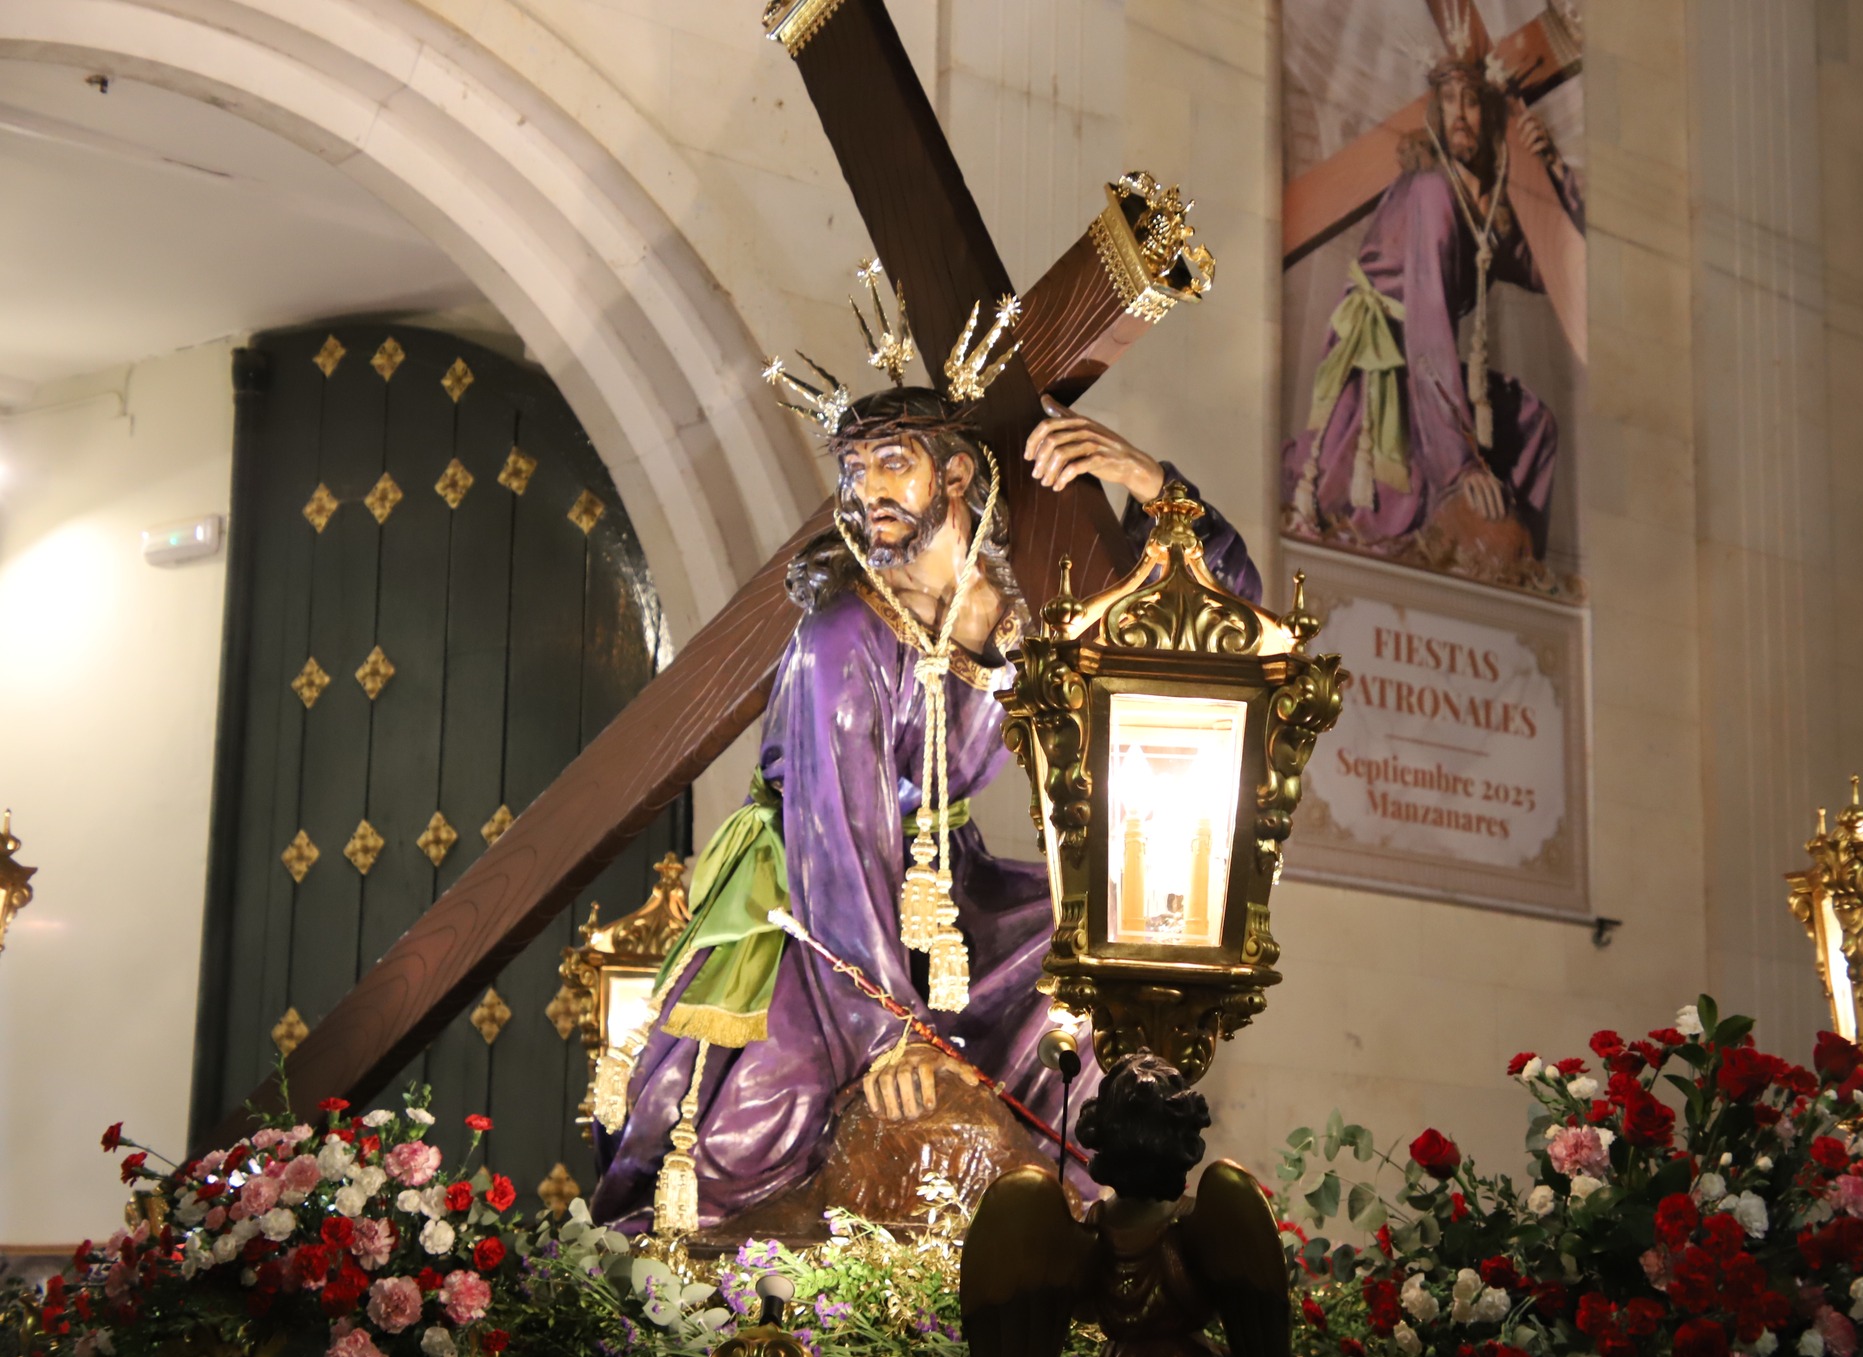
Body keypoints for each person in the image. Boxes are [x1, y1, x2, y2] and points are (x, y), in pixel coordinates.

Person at [588, 371, 1261, 1230]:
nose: (868, 490)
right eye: (855, 468)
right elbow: (839, 847)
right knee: (751, 1137)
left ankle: (1085, 1228)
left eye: (891, 463)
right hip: (810, 911)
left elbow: (1218, 622)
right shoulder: (841, 638)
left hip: (948, 897)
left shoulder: (1023, 611)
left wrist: (1154, 488)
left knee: (1086, 968)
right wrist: (889, 1038)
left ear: (953, 476)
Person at [1283, 56, 1582, 563]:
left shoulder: (1484, 211)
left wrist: (1555, 173)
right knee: (1411, 495)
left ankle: (1519, 576)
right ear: (1435, 116)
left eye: (1472, 101)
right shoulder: (1432, 190)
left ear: (1491, 117)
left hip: (1426, 363)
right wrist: (1459, 465)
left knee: (1535, 425)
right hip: (1384, 366)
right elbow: (1428, 323)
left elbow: (1553, 272)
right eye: (1449, 101)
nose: (1460, 113)